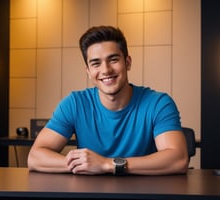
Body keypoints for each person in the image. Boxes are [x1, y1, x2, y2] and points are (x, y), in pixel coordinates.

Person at [27, 25, 189, 175]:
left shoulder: (158, 103)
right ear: (89, 71)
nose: (106, 70)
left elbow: (178, 159)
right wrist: (83, 164)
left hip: (143, 194)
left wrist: (107, 164)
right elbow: (35, 157)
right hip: (89, 195)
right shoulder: (75, 104)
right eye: (96, 63)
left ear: (127, 62)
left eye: (113, 60)